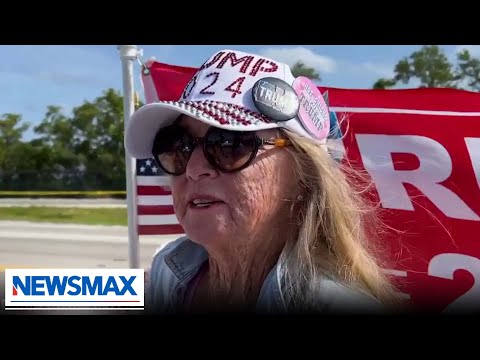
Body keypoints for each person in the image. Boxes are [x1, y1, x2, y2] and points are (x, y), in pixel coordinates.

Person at [125, 49, 404, 314]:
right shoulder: (169, 267)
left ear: (302, 175)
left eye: (229, 143)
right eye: (179, 145)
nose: (194, 169)